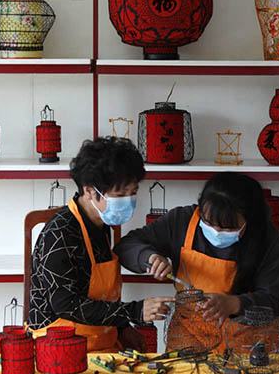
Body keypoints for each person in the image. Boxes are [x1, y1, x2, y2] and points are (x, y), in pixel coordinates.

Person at [27, 136, 172, 352]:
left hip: (99, 342)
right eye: (120, 195)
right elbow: (66, 305)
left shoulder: (101, 224)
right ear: (89, 191)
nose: (128, 201)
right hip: (59, 349)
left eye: (133, 193)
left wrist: (123, 328)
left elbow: (100, 295)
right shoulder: (59, 234)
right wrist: (135, 311)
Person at [114, 172, 279, 328]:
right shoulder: (181, 221)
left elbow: (273, 301)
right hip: (189, 339)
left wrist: (234, 304)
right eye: (208, 223)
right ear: (200, 209)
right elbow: (126, 245)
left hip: (247, 343)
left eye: (227, 228)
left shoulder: (267, 238)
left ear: (249, 219)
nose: (216, 232)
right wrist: (149, 257)